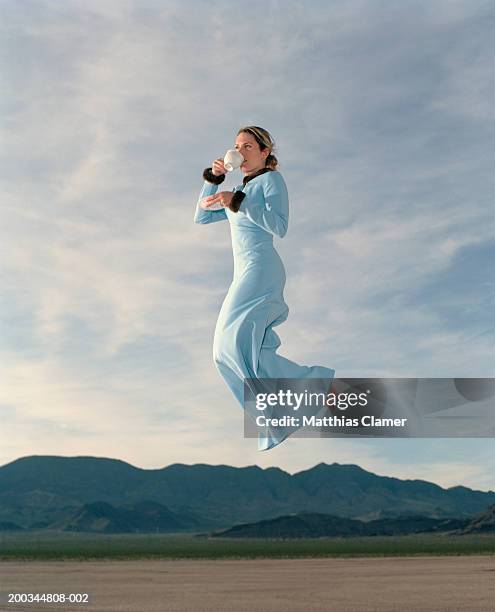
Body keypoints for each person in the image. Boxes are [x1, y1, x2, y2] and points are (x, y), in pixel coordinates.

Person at [194, 126, 335, 450]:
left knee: (234, 344)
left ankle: (313, 387)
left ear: (264, 151)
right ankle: (289, 405)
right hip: (243, 271)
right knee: (224, 351)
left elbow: (279, 225)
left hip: (261, 269)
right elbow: (202, 217)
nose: (239, 151)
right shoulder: (239, 190)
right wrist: (213, 180)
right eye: (236, 146)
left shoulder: (271, 181)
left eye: (247, 146)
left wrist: (239, 201)